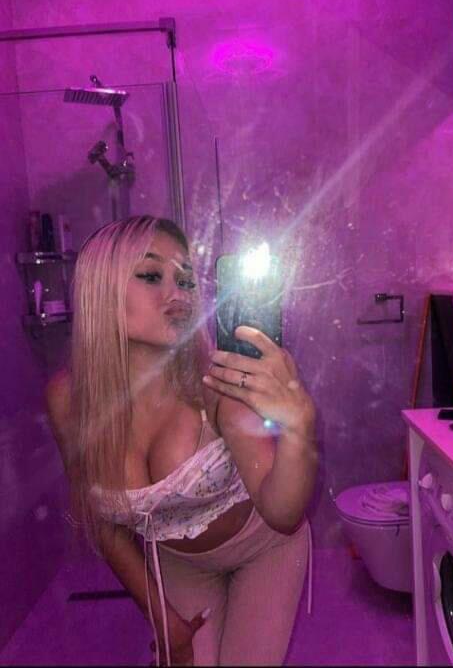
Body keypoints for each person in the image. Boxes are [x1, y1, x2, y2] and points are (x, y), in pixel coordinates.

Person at [45, 215, 318, 666]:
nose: (179, 295)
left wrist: (299, 425)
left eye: (186, 281)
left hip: (266, 549)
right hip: (178, 562)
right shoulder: (67, 399)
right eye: (151, 275)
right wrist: (162, 620)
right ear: (100, 291)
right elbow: (102, 523)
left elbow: (283, 513)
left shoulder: (216, 386)